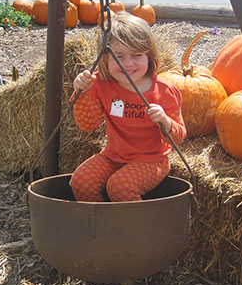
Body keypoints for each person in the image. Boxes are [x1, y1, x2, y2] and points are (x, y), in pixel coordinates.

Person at [70, 11, 187, 203]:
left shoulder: (164, 91)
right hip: (113, 156)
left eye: (137, 55)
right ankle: (103, 225)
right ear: (105, 59)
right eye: (119, 57)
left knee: (120, 187)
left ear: (149, 56)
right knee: (81, 181)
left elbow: (179, 136)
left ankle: (135, 230)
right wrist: (83, 92)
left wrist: (165, 121)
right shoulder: (100, 83)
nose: (128, 64)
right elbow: (88, 125)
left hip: (151, 160)